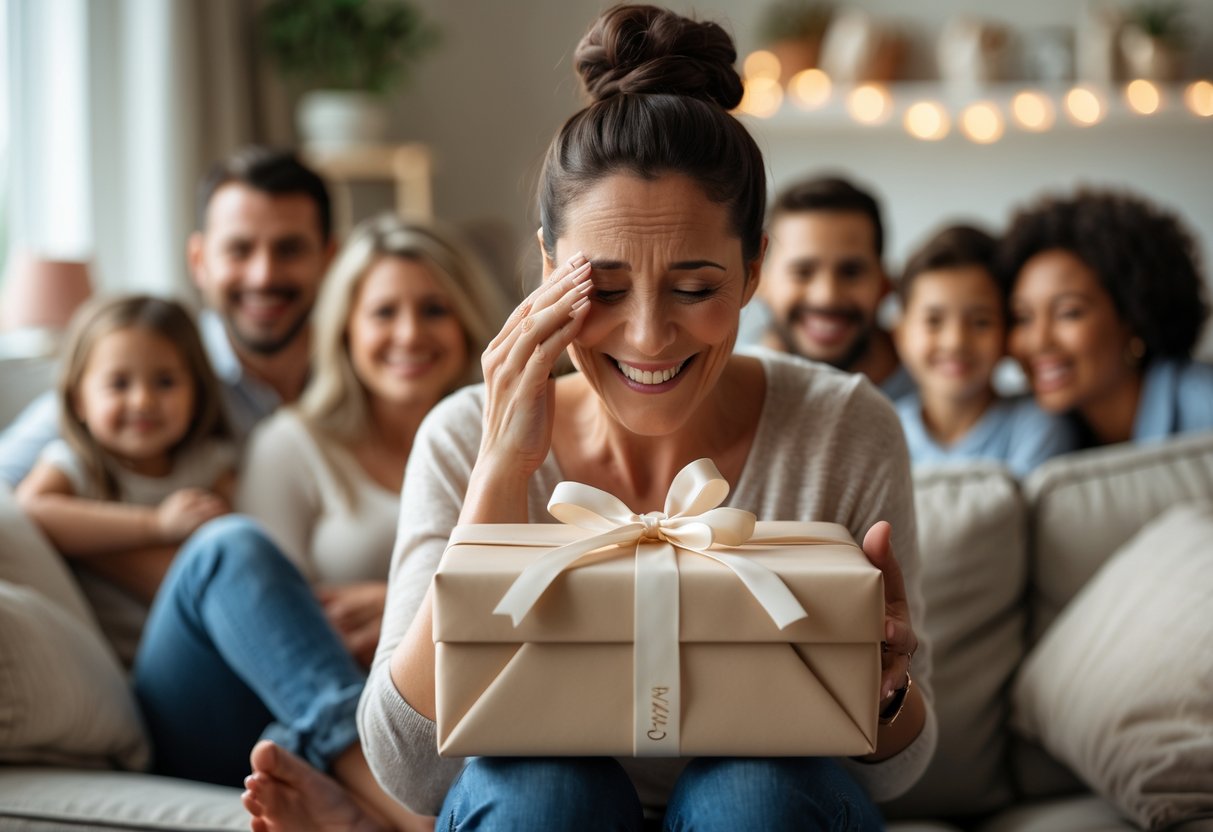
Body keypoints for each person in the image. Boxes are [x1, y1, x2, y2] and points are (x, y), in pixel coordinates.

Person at [239, 7, 935, 831]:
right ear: (546, 267)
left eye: (694, 288)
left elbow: (897, 780)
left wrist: (885, 692)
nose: (646, 336)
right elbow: (412, 775)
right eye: (601, 288)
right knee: (543, 788)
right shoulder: (464, 432)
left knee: (752, 788)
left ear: (752, 272)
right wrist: (501, 469)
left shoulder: (843, 426)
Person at [131, 214, 508, 831]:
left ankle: (350, 792)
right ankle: (397, 806)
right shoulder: (293, 444)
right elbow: (272, 627)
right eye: (384, 313)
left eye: (434, 309)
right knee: (229, 547)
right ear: (347, 329)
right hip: (258, 708)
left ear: (468, 320)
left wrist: (402, 605)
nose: (409, 334)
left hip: (424, 719)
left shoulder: (503, 451)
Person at [0, 146, 334, 487]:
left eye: (289, 250)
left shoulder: (366, 370)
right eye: (239, 250)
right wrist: (155, 537)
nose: (263, 276)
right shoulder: (153, 363)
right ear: (199, 260)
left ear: (329, 258)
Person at [15, 296, 237, 604]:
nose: (143, 401)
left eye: (165, 381)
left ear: (196, 394)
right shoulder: (74, 463)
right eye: (119, 384)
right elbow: (31, 508)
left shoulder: (208, 463)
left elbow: (236, 545)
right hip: (116, 650)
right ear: (79, 399)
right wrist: (155, 524)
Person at [997, 188, 1213, 448]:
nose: (1039, 341)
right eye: (1023, 318)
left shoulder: (1202, 404)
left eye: (1068, 313)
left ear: (1134, 316)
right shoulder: (1043, 433)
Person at [893, 224, 1076, 476]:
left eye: (981, 322)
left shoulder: (1037, 427)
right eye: (934, 321)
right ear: (900, 334)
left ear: (1007, 334)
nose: (956, 341)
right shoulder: (884, 431)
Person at [750, 174, 916, 400]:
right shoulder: (721, 394)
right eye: (803, 272)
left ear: (885, 284)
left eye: (851, 272)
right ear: (758, 281)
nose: (827, 296)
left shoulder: (941, 394)